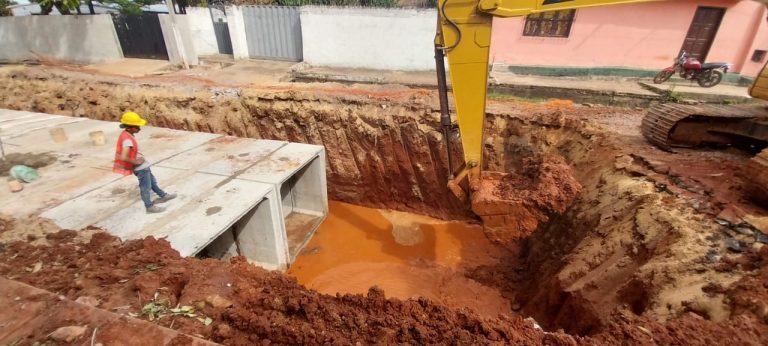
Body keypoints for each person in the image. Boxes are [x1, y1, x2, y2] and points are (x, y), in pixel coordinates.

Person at [113, 111, 177, 213]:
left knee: (152, 183)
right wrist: (136, 162)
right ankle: (149, 207)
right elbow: (123, 157)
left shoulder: (127, 134)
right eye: (136, 127)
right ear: (129, 127)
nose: (139, 128)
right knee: (145, 188)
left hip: (144, 167)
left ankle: (163, 196)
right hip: (141, 169)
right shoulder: (127, 140)